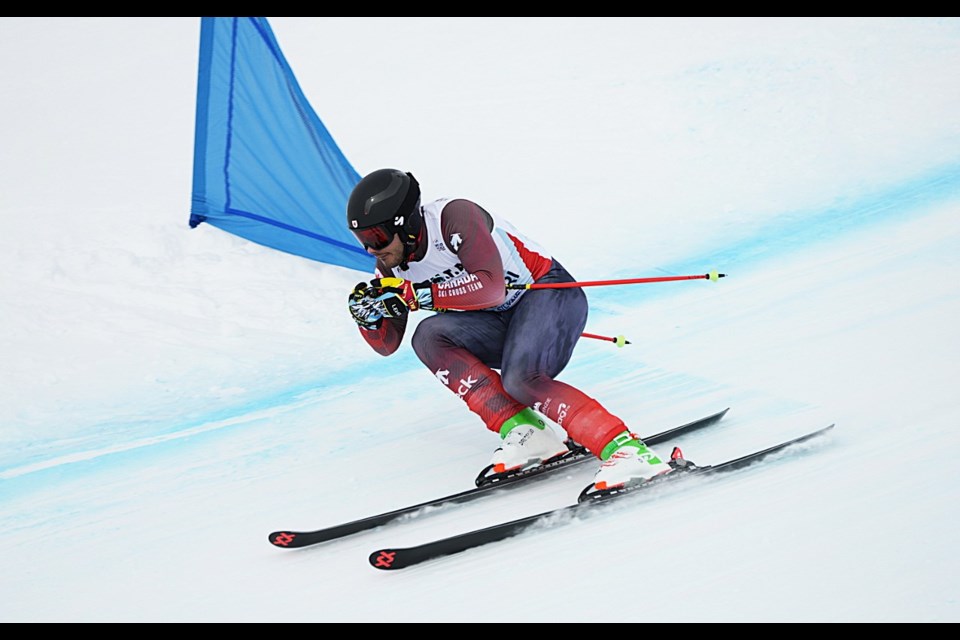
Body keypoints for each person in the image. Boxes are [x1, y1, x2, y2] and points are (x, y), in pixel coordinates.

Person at [345, 168, 671, 491]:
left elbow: (492, 288)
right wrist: (369, 318)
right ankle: (528, 433)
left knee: (522, 380)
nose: (373, 250)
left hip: (550, 295)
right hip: (501, 322)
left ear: (406, 224)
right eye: (364, 242)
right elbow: (386, 344)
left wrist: (422, 295)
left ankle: (628, 451)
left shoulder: (454, 217)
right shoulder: (389, 266)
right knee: (428, 337)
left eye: (378, 238)